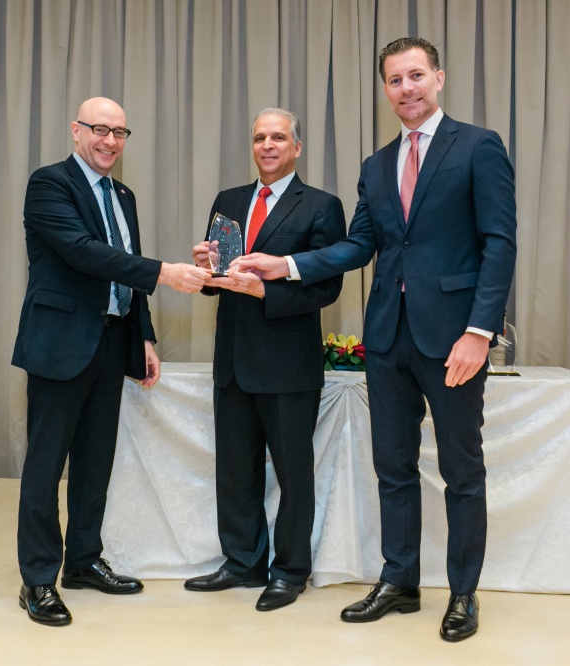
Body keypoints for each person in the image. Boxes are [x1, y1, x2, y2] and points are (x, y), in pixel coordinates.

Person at [239, 38, 516, 641]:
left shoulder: (478, 146)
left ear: (438, 78)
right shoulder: (376, 164)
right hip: (387, 338)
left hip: (454, 340)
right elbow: (360, 245)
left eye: (416, 75)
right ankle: (400, 581)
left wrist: (479, 332)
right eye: (395, 80)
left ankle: (463, 593)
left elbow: (499, 243)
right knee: (392, 466)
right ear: (385, 90)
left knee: (462, 471)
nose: (406, 88)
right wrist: (287, 265)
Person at [12, 97, 211, 626]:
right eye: (99, 129)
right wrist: (164, 272)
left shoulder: (123, 195)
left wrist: (143, 336)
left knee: (96, 461)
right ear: (76, 131)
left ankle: (82, 561)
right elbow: (83, 251)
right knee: (46, 466)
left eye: (119, 132)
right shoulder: (49, 183)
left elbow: (124, 269)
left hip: (111, 342)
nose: (110, 141)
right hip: (60, 344)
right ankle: (37, 579)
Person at [183, 108, 347, 611]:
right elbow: (220, 280)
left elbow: (327, 287)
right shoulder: (229, 200)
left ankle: (290, 571)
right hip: (233, 360)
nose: (268, 146)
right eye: (259, 138)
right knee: (236, 470)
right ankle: (242, 562)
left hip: (288, 365)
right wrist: (207, 270)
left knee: (294, 475)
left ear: (296, 148)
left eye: (278, 137)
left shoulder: (321, 206)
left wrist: (265, 292)